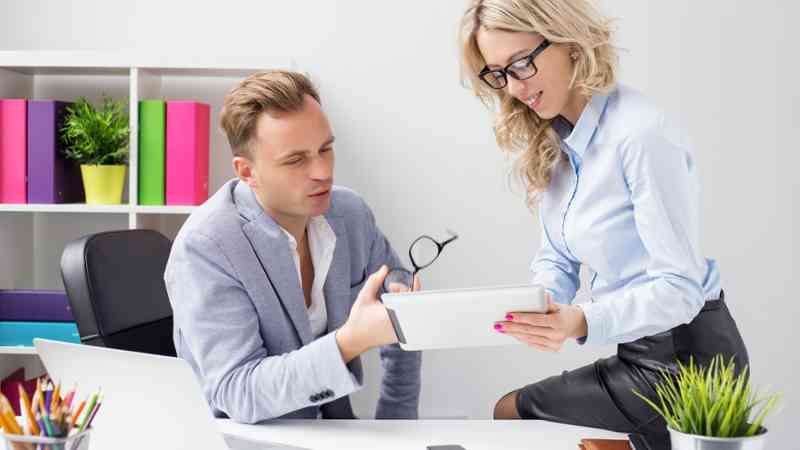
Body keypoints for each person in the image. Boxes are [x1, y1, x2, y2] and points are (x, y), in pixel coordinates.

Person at [458, 1, 748, 448]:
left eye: (521, 64)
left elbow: (681, 289)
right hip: (638, 351)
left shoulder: (640, 135)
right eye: (499, 74)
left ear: (569, 43)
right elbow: (557, 258)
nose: (514, 87)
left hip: (689, 359)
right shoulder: (557, 142)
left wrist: (580, 321)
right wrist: (536, 309)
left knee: (512, 413)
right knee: (521, 417)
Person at [164, 70, 421, 423]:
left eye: (325, 149)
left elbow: (406, 311)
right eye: (296, 160)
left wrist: (397, 420)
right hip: (245, 441)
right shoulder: (206, 246)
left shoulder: (350, 214)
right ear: (247, 172)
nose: (323, 172)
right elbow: (238, 391)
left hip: (335, 435)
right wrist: (349, 341)